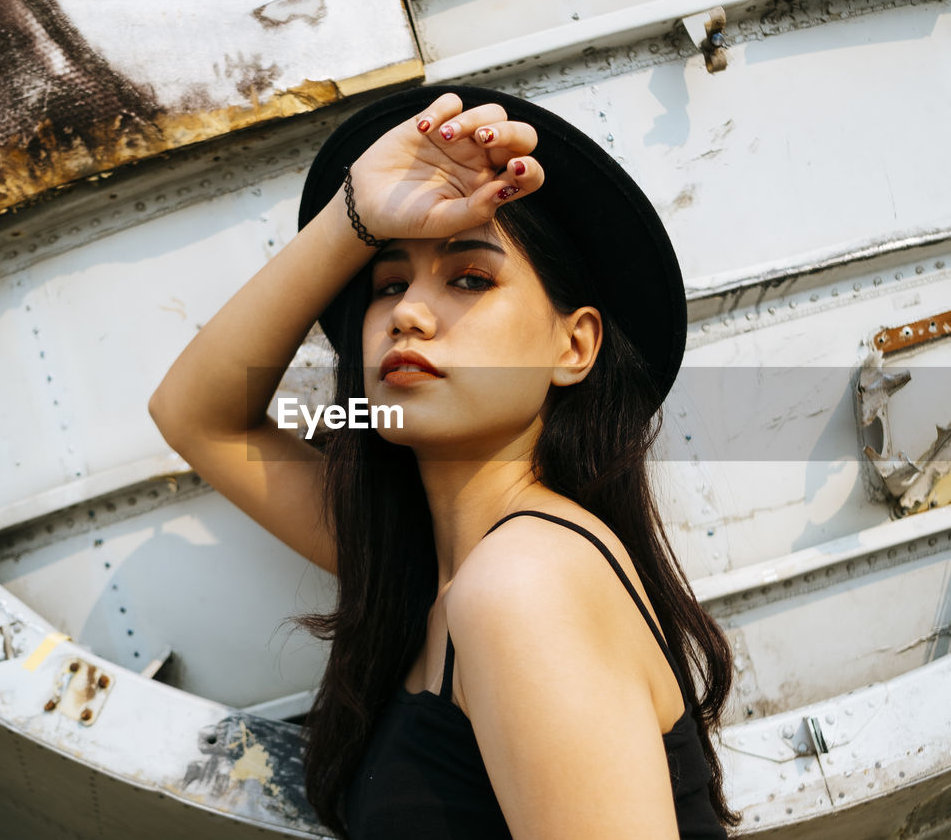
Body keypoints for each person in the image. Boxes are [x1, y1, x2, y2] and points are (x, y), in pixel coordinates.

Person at [149, 84, 738, 839]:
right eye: (387, 283)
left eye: (469, 278)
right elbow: (196, 416)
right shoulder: (417, 565)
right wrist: (353, 216)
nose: (407, 312)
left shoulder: (521, 584)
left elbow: (198, 419)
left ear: (575, 345)